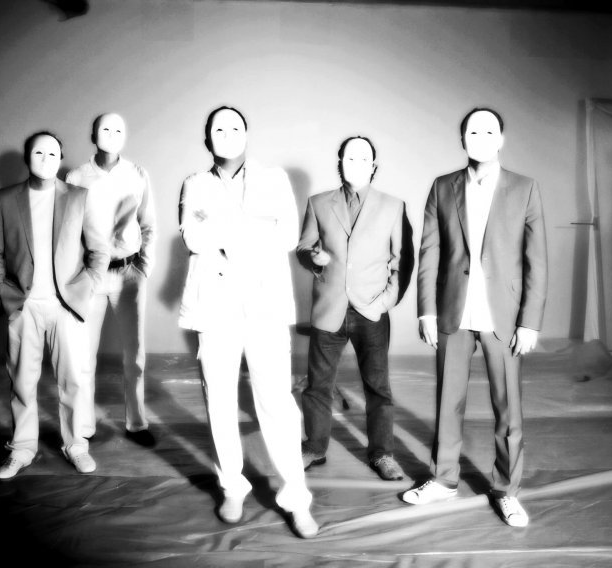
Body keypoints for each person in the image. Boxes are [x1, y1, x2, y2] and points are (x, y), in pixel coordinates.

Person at [177, 106, 319, 538]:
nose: (227, 133)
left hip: (264, 304)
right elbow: (193, 237)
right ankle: (232, 487)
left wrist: (222, 228)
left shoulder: (274, 179)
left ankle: (296, 498)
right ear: (207, 139)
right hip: (214, 305)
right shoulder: (195, 184)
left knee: (276, 401)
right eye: (218, 128)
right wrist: (252, 226)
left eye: (235, 126)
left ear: (246, 134)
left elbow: (287, 235)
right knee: (219, 400)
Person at [403, 108, 547, 528]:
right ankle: (444, 480)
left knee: (508, 408)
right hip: (453, 310)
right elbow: (430, 252)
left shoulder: (525, 188)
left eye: (489, 131)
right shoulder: (442, 187)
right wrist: (426, 310)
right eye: (472, 131)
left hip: (503, 314)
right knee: (448, 401)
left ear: (500, 139)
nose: (480, 137)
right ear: (462, 139)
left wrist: (530, 321)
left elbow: (536, 259)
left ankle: (506, 491)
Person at [0, 131, 109, 479]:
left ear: (60, 159)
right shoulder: (5, 199)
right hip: (23, 306)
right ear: (28, 157)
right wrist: (1, 293)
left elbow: (99, 250)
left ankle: (76, 445)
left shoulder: (79, 197)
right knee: (22, 382)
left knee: (73, 381)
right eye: (39, 152)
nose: (46, 159)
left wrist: (85, 290)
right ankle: (22, 449)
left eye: (53, 153)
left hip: (66, 307)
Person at [296, 136, 412, 481]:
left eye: (364, 158)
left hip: (371, 311)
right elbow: (303, 246)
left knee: (378, 388)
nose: (356, 163)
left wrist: (385, 302)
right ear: (339, 163)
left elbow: (402, 261)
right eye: (349, 157)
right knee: (317, 386)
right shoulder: (318, 203)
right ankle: (314, 447)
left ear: (374, 165)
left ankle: (382, 453)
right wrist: (312, 257)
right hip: (329, 309)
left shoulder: (393, 206)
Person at [66, 113, 157, 446]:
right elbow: (68, 230)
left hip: (128, 274)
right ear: (93, 135)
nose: (112, 133)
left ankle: (137, 424)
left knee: (135, 355)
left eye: (118, 129)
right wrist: (75, 276)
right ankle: (84, 426)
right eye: (105, 128)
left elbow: (149, 224)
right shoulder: (76, 177)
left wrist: (144, 267)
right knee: (83, 356)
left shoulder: (137, 174)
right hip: (91, 275)